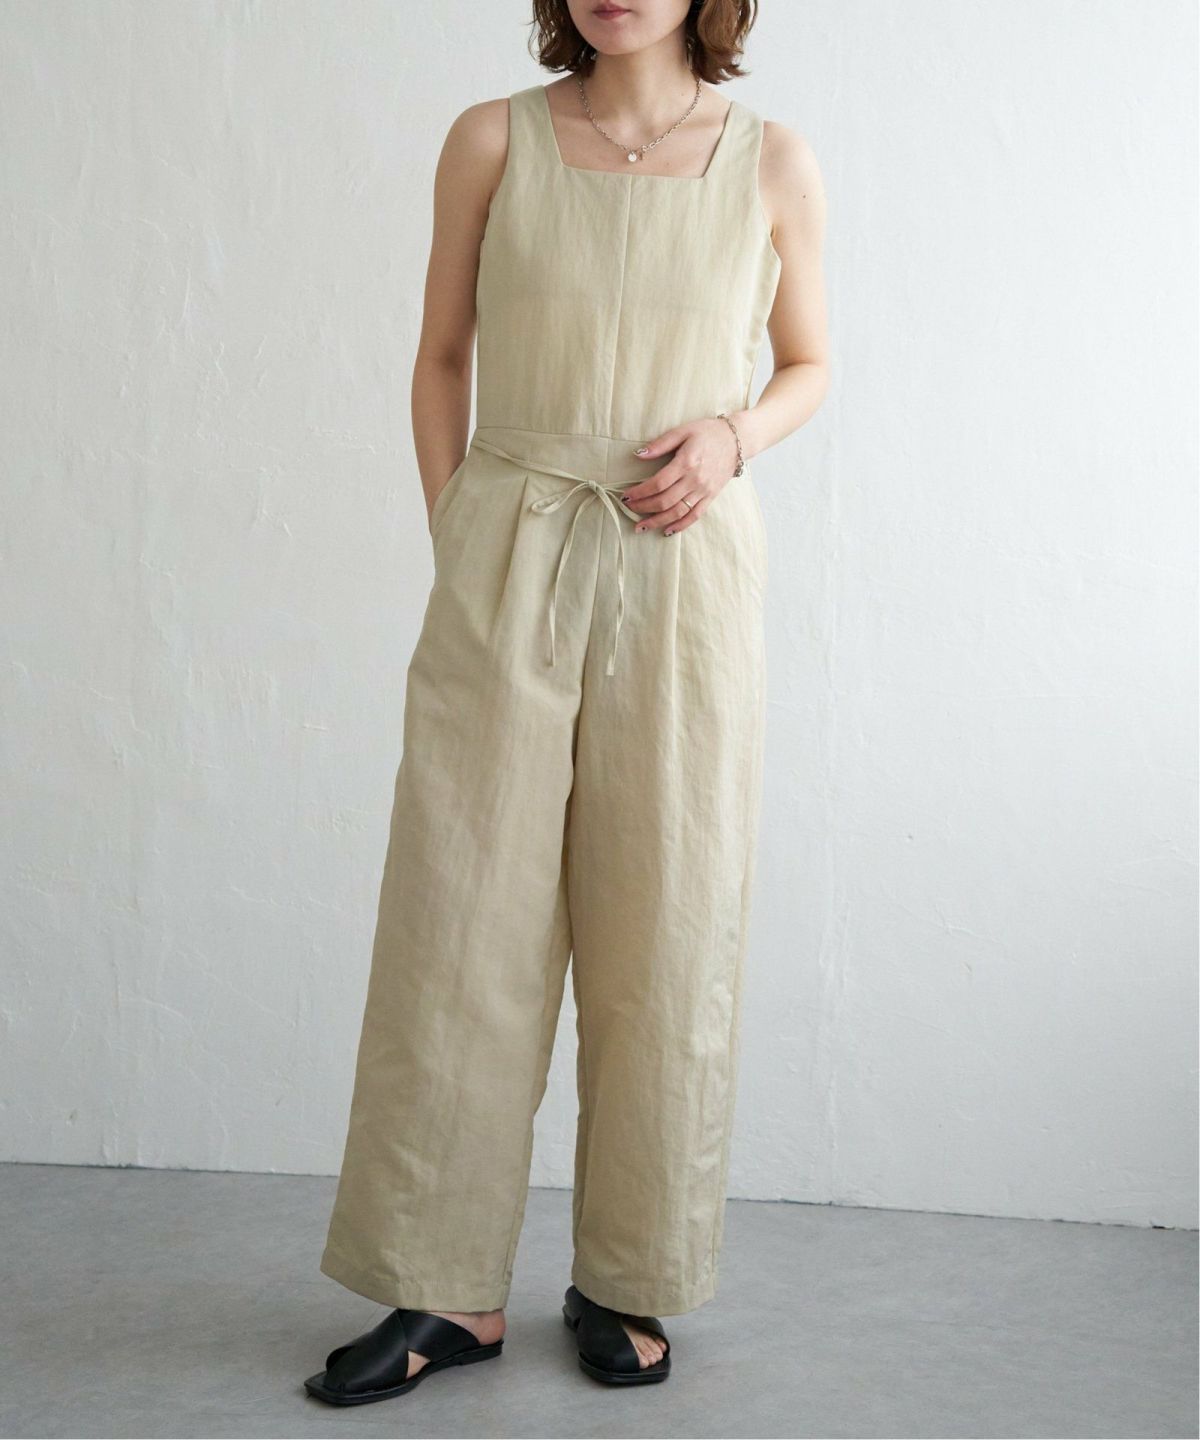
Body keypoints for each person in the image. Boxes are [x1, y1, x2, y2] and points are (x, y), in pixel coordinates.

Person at [304, 0, 828, 1405]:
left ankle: (627, 1276)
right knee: (460, 912)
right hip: (510, 548)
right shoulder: (493, 140)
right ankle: (444, 1290)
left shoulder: (772, 159)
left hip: (684, 566)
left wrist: (732, 436)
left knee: (667, 914)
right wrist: (462, 535)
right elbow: (441, 357)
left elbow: (811, 362)